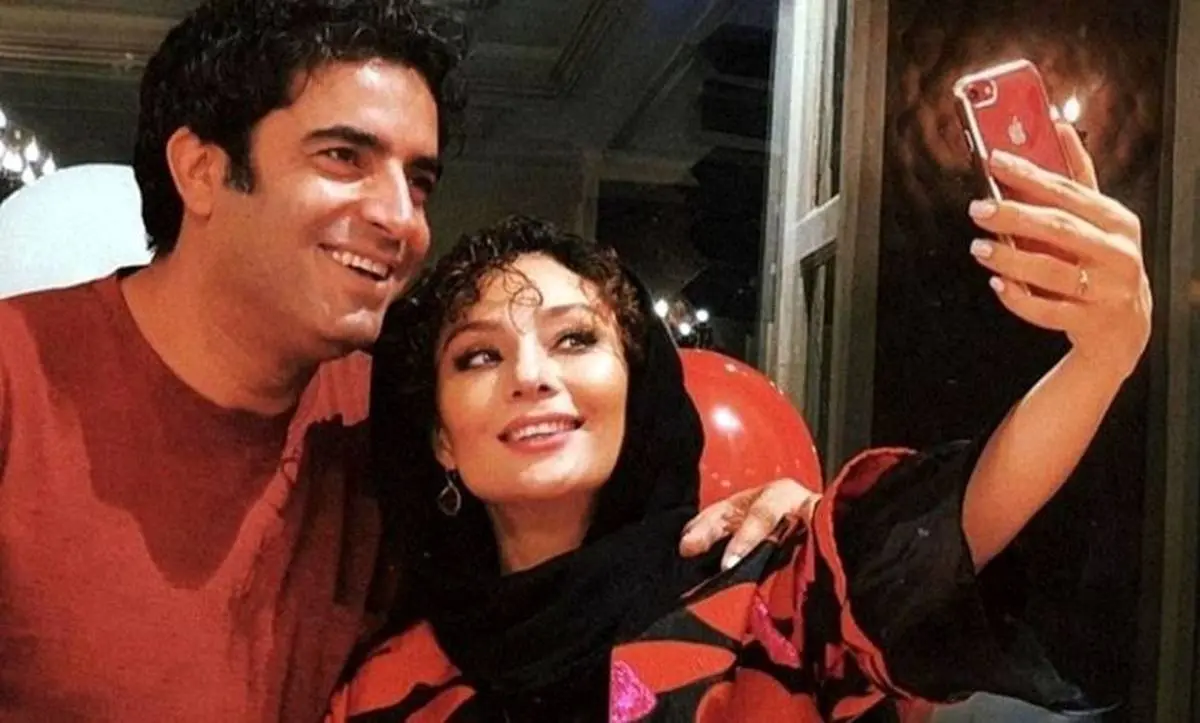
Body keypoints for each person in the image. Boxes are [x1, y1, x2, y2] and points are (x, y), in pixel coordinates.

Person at [0, 2, 822, 720]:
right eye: (343, 157)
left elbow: (573, 578)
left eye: (419, 179)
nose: (402, 218)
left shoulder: (396, 418)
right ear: (202, 169)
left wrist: (783, 532)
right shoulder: (19, 380)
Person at [329, 135, 1149, 722]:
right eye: (479, 356)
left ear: (636, 387)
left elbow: (957, 522)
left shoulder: (763, 599)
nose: (531, 374)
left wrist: (1102, 357)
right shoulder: (388, 688)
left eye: (575, 339)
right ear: (439, 435)